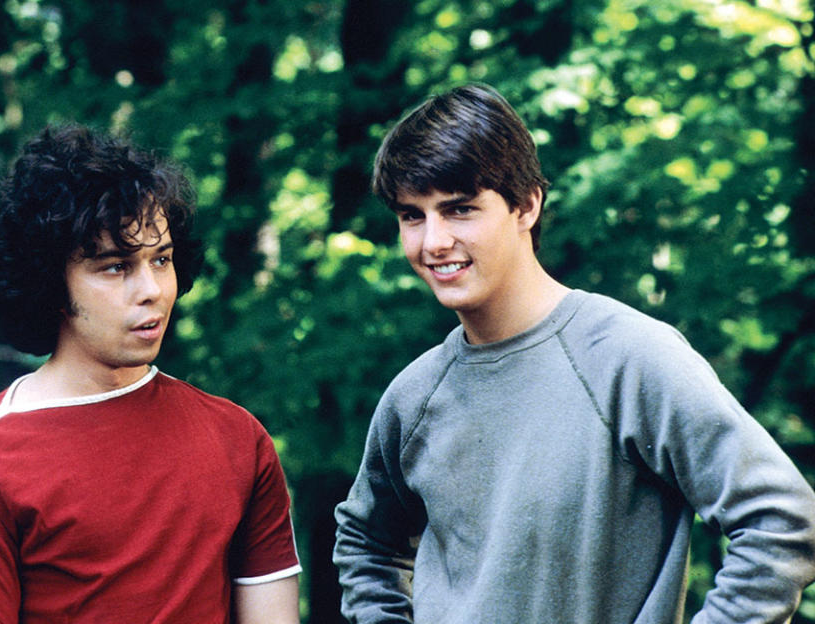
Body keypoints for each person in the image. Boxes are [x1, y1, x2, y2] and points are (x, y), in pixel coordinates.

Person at [332, 83, 815, 623]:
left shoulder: (629, 358)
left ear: (527, 206)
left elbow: (781, 519)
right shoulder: (415, 396)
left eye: (460, 209)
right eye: (412, 216)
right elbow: (365, 544)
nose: (433, 241)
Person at [0, 124, 301, 624]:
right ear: (49, 282)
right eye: (116, 266)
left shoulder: (237, 438)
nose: (153, 290)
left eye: (161, 260)